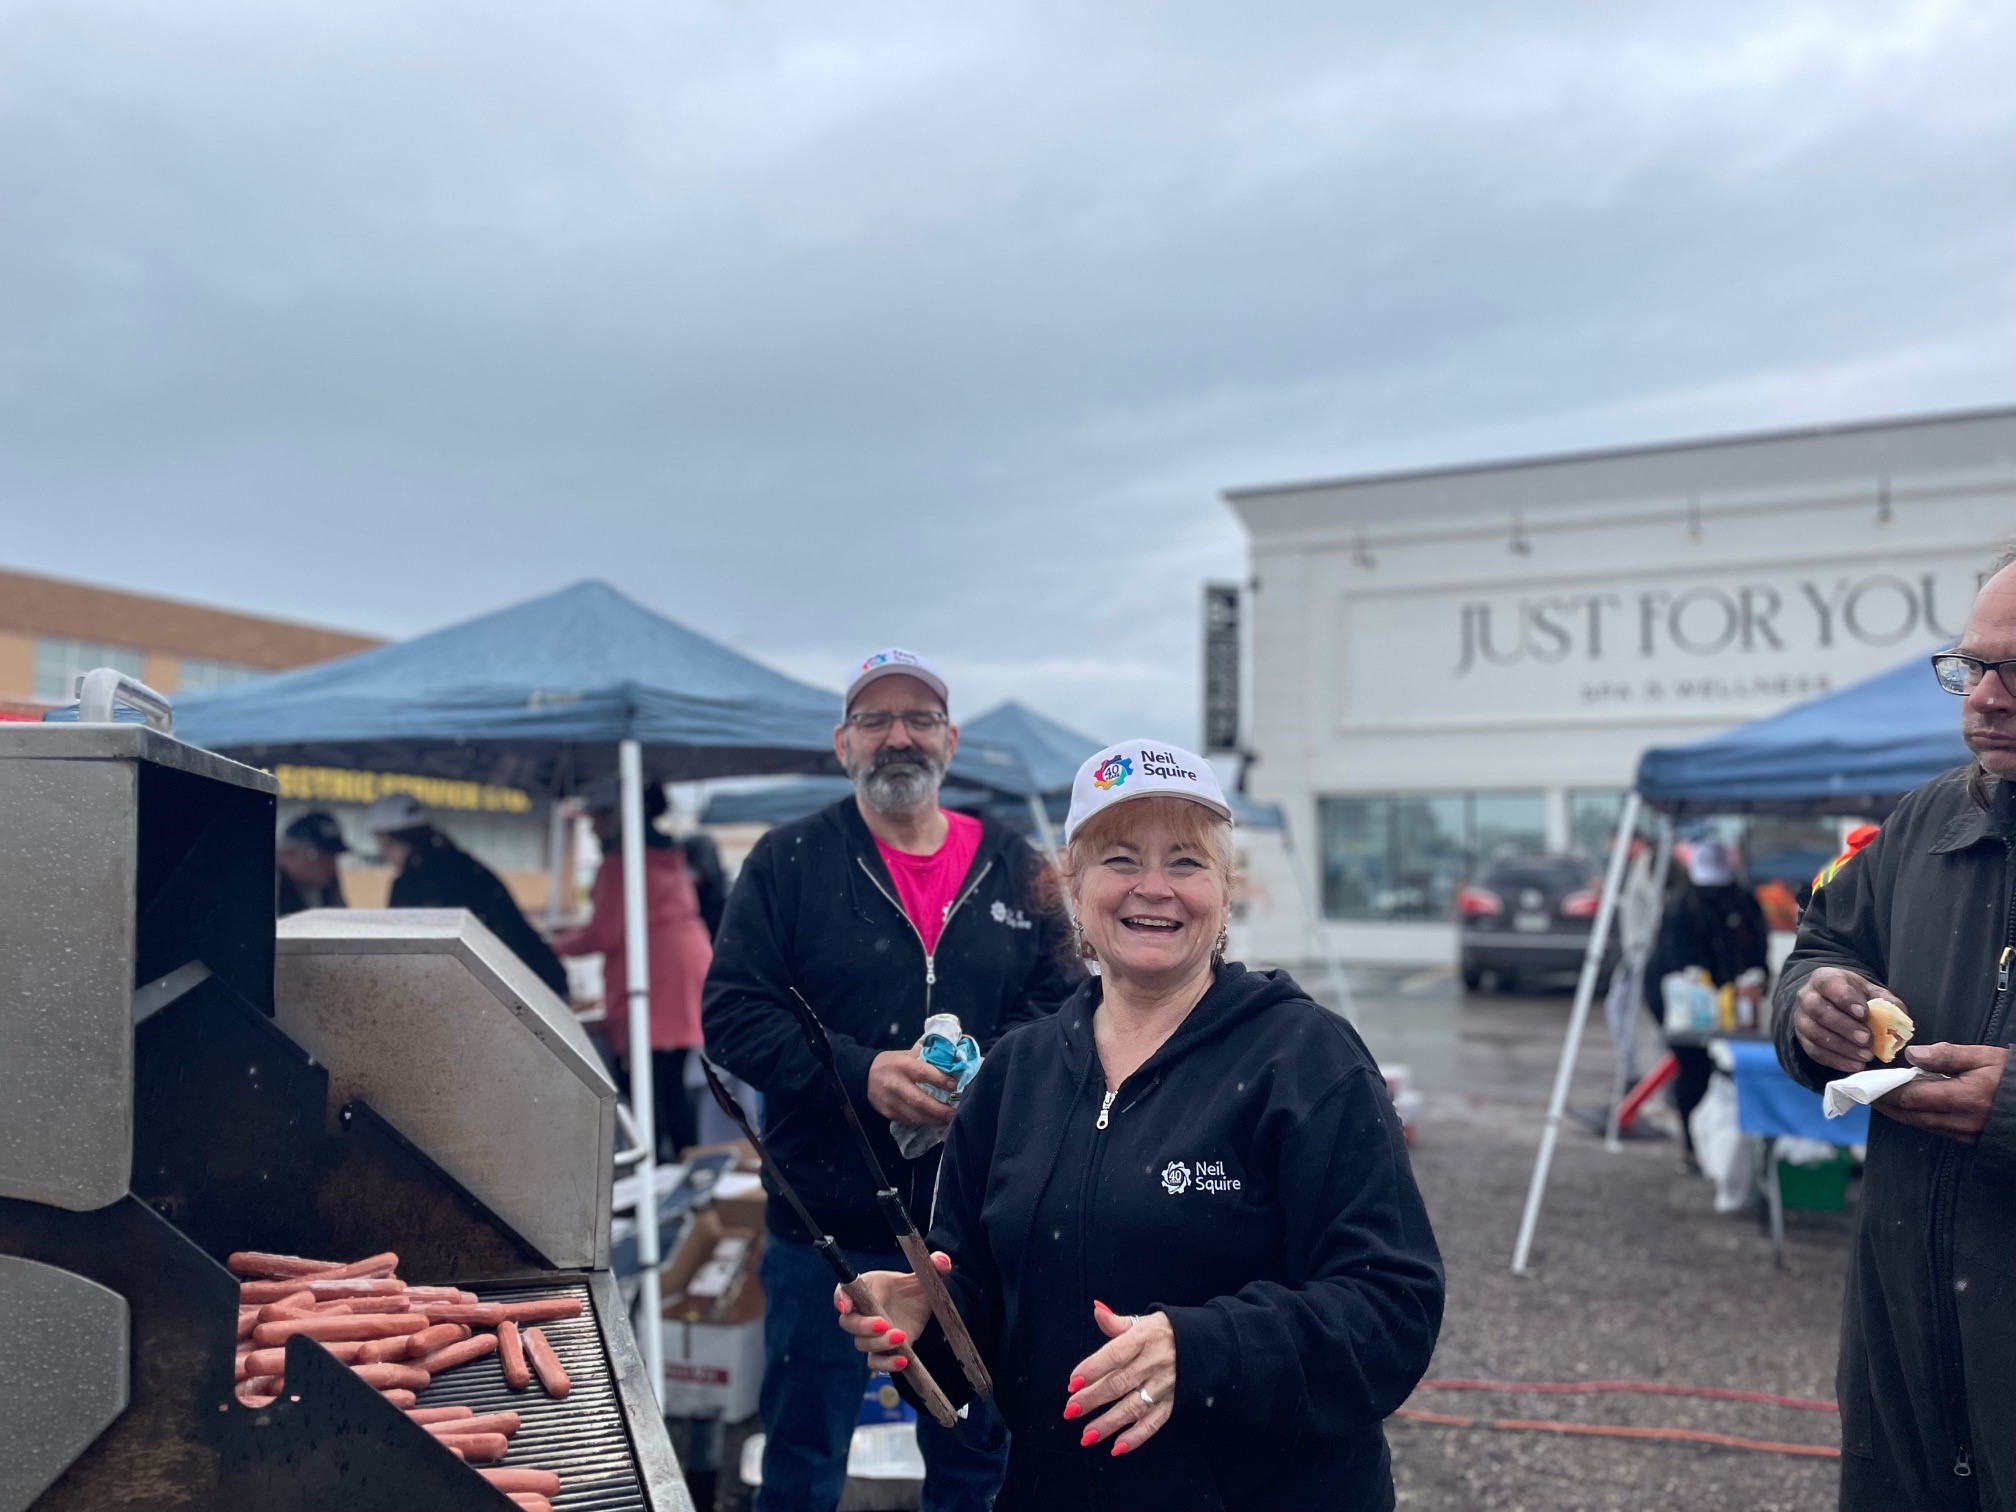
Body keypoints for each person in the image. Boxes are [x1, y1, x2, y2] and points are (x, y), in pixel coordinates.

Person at [835, 739, 1444, 1512]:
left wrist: (1203, 1352)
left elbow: (1393, 1307)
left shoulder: (1306, 1059)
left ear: (1226, 891)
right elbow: (987, 1334)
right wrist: (925, 1323)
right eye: (1121, 859)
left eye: (1187, 863)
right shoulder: (1015, 1077)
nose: (1154, 888)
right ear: (1073, 885)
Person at [703, 648, 1080, 1512]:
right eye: (876, 720)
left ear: (950, 739)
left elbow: (1064, 1008)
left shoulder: (1020, 867)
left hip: (975, 1226)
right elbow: (733, 1014)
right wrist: (859, 1071)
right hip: (826, 1224)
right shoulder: (789, 862)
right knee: (802, 1448)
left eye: (918, 719)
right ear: (843, 743)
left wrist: (988, 1082)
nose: (897, 737)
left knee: (979, 1451)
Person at [1777, 551, 2016, 1511]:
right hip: (1903, 1356)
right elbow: (1821, 940)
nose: (1985, 699)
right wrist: (1812, 1003)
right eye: (1971, 665)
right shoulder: (1921, 822)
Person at [552, 782, 711, 1158]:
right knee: (674, 1086)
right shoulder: (666, 853)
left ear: (617, 818)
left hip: (655, 982)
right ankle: (688, 1171)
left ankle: (654, 1174)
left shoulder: (620, 862)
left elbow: (605, 932)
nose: (592, 829)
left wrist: (552, 946)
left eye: (597, 819)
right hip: (685, 973)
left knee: (646, 1091)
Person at [365, 793, 571, 1000]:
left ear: (385, 838)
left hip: (506, 997)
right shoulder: (469, 866)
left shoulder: (410, 885)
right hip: (540, 980)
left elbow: (404, 960)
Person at [1644, 837, 1767, 1167]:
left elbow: (1757, 946)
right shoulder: (1681, 906)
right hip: (1679, 1001)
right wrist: (1697, 989)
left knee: (1738, 1069)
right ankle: (1693, 1145)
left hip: (1732, 999)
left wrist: (1755, 977)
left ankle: (1739, 1147)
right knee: (1694, 1068)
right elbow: (1675, 959)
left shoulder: (1742, 901)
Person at [277, 811, 349, 916]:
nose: (329, 864)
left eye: (332, 856)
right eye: (318, 855)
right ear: (290, 854)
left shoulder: (328, 888)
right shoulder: (269, 889)